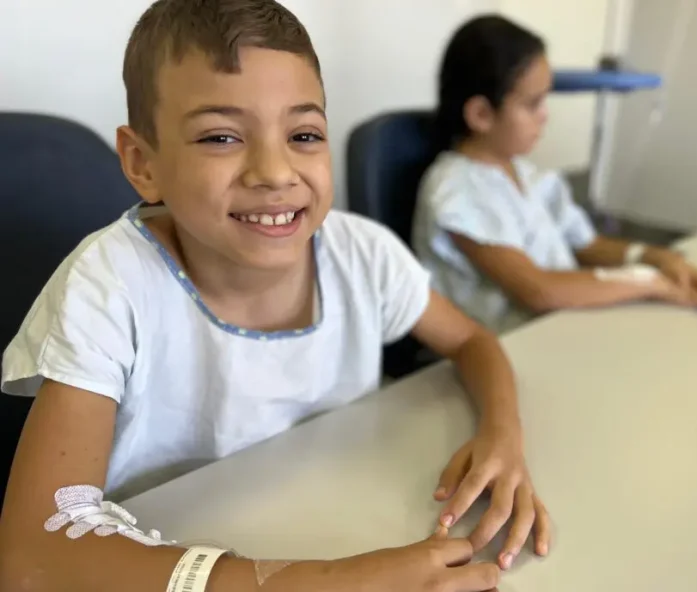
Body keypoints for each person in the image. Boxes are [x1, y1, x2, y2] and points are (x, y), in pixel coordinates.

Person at [0, 2, 548, 591]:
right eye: (220, 136)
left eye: (304, 134)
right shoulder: (108, 285)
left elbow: (470, 339)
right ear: (143, 162)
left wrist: (502, 436)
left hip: (338, 515)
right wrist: (332, 584)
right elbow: (35, 557)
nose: (275, 171)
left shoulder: (361, 254)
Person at [411, 15, 697, 334]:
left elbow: (586, 244)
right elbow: (537, 291)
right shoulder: (455, 192)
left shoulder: (528, 176)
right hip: (511, 347)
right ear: (481, 114)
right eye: (533, 104)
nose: (545, 117)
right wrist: (648, 282)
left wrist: (655, 257)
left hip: (562, 326)